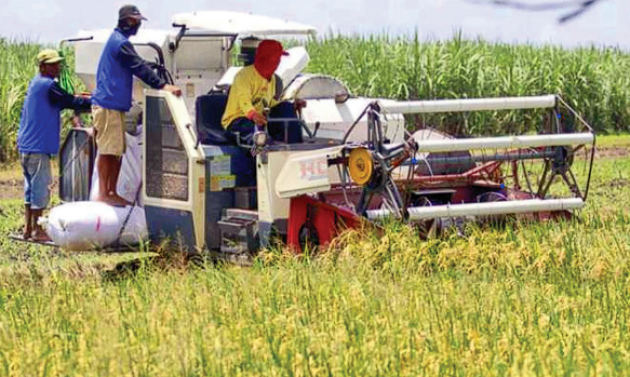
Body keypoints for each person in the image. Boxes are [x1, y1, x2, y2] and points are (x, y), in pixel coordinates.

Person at [92, 4, 182, 207]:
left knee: (116, 151)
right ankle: (104, 193)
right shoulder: (120, 43)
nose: (138, 25)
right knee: (109, 151)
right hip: (108, 105)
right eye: (135, 21)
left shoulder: (118, 42)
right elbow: (138, 67)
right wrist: (163, 85)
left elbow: (138, 66)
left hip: (114, 106)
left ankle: (111, 191)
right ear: (126, 21)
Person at [17, 49, 92, 241]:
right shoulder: (48, 85)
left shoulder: (37, 84)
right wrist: (94, 101)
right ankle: (37, 231)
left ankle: (28, 228)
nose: (57, 67)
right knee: (41, 189)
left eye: (58, 63)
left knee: (31, 189)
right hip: (38, 147)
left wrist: (80, 98)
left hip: (26, 146)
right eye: (52, 64)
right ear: (43, 67)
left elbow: (64, 99)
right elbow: (68, 101)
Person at [221, 39, 306, 145]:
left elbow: (269, 104)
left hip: (259, 120)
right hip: (238, 121)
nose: (279, 62)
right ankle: (260, 154)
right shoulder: (244, 76)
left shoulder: (273, 79)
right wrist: (252, 114)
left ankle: (294, 145)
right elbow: (244, 99)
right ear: (267, 59)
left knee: (285, 107)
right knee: (254, 133)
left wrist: (292, 105)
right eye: (277, 58)